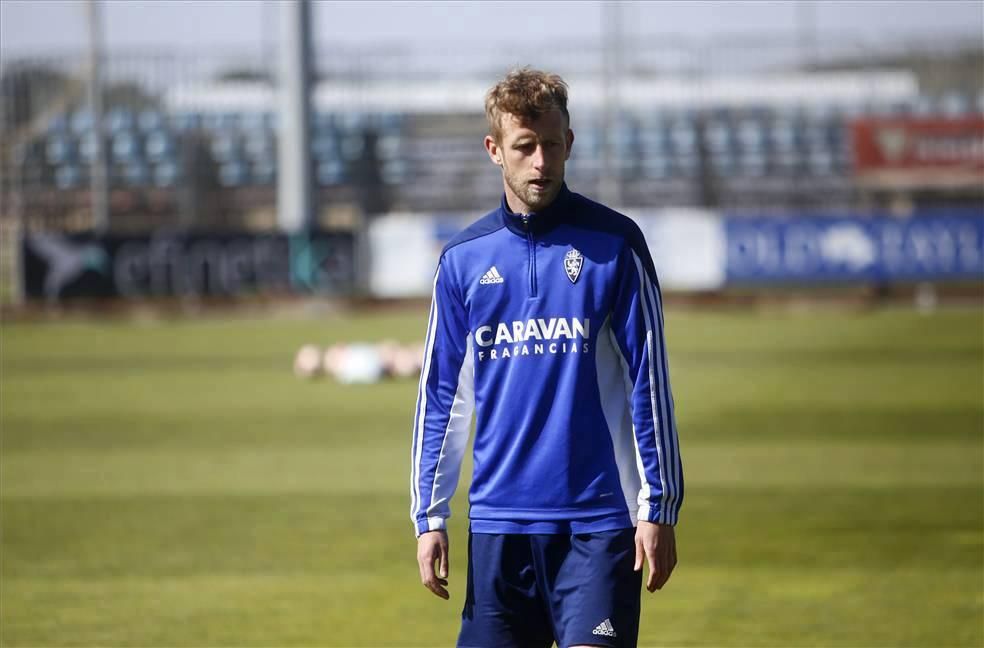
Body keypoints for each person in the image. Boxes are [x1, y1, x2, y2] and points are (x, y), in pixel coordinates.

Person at [410, 67, 683, 648]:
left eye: (552, 146)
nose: (541, 162)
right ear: (494, 150)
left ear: (570, 144)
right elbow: (442, 398)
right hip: (498, 529)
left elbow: (648, 385)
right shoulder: (462, 260)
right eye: (525, 146)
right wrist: (429, 518)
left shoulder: (616, 245)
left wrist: (658, 504)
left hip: (599, 527)